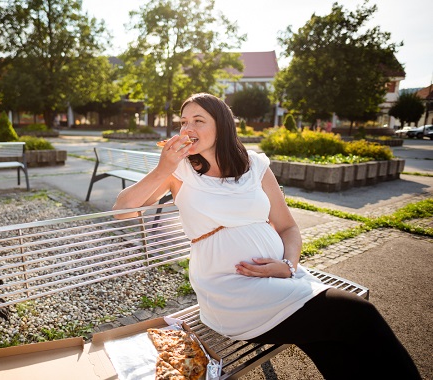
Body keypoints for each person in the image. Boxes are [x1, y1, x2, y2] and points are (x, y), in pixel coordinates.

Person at [113, 93, 421, 379]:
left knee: (335, 348)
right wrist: (162, 167)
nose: (187, 128)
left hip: (281, 279)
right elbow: (123, 211)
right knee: (356, 313)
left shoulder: (254, 164)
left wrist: (287, 265)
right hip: (231, 291)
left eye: (198, 120)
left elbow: (288, 228)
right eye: (183, 122)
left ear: (221, 126)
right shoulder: (178, 171)